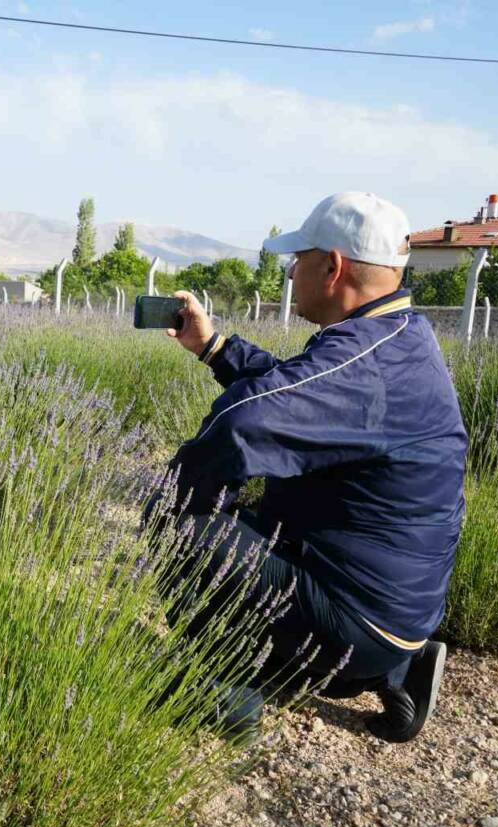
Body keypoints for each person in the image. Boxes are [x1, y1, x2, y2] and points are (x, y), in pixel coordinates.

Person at [145, 191, 467, 743]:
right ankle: (400, 667)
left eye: (299, 259)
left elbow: (242, 425)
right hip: (403, 608)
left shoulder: (362, 357)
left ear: (332, 267)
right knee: (243, 514)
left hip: (354, 620)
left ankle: (229, 692)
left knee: (178, 519)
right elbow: (295, 387)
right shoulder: (397, 336)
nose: (292, 271)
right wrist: (214, 348)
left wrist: (188, 499)